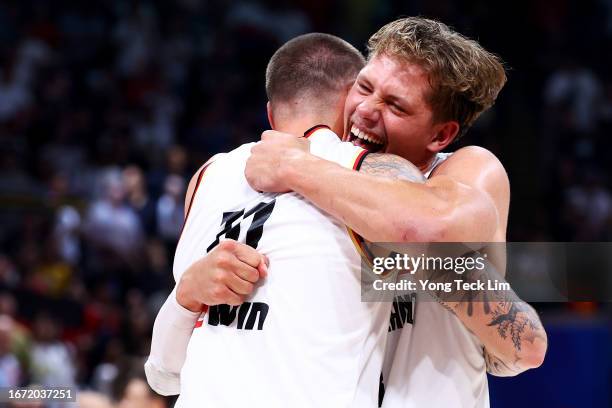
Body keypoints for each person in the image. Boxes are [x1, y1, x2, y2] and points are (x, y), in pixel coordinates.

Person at [244, 17, 547, 407]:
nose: (366, 110)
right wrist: (192, 288)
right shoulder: (322, 177)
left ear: (440, 135)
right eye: (365, 87)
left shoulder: (467, 170)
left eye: (395, 105)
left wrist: (295, 166)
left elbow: (432, 227)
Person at [145, 33, 424, 407]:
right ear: (351, 100)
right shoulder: (377, 174)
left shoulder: (208, 177)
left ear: (271, 113)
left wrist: (184, 297)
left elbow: (164, 376)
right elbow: (450, 256)